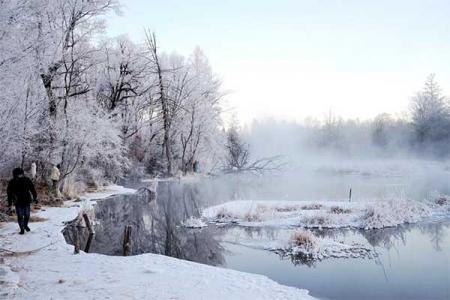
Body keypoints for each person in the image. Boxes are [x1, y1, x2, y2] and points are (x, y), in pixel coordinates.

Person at [7, 168, 38, 234]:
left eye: (21, 174)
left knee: (27, 215)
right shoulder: (12, 182)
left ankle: (25, 225)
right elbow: (9, 193)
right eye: (18, 174)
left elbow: (32, 189)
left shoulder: (27, 180)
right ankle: (22, 229)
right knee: (20, 216)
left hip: (26, 199)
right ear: (15, 174)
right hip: (17, 201)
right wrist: (10, 203)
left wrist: (35, 197)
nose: (20, 175)